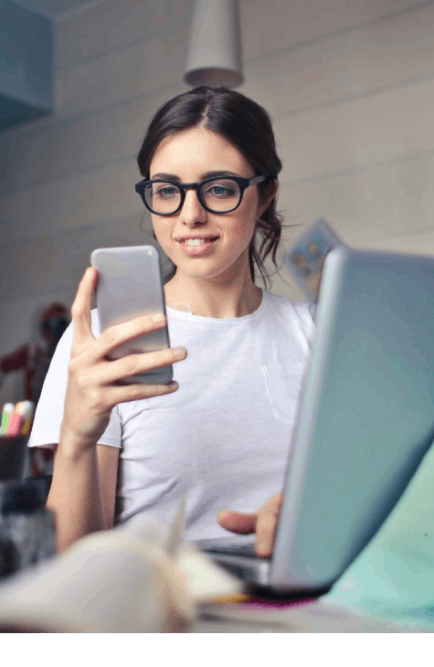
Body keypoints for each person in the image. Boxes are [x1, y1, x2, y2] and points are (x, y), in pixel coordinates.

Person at [30, 86, 317, 555]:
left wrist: (310, 516)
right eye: (167, 191)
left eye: (219, 188)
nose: (190, 215)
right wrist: (77, 438)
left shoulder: (316, 334)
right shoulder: (105, 342)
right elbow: (73, 559)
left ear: (265, 195)